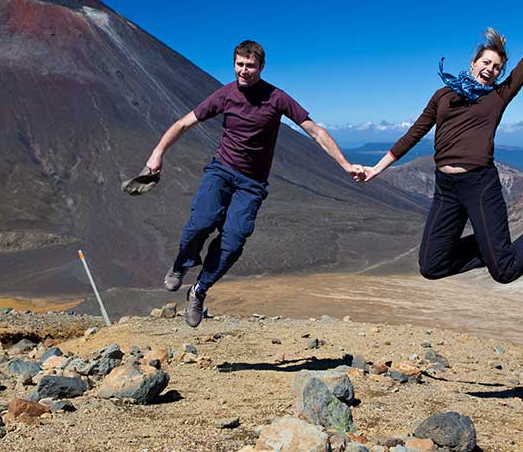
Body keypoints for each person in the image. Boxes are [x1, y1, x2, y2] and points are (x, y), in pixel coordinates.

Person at [362, 0, 523, 284]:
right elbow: (414, 134)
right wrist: (376, 169)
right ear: (473, 63)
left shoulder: (498, 96)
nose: (491, 69)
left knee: (504, 271)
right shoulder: (443, 95)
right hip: (445, 189)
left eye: (497, 67)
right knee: (431, 267)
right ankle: (494, 249)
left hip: (480, 185)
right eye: (486, 62)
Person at [146, 40, 365, 326]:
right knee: (201, 222)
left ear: (261, 67)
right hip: (221, 171)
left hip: (252, 183)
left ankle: (199, 291)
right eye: (239, 64)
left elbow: (315, 132)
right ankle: (180, 265)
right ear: (234, 64)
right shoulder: (225, 95)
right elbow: (184, 123)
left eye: (250, 66)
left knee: (233, 242)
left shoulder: (277, 98)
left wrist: (346, 165)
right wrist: (157, 152)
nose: (244, 71)